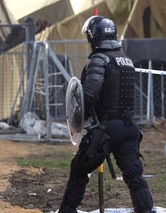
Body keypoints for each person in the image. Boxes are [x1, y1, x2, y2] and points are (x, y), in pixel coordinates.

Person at [58, 15, 154, 213]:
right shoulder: (125, 59)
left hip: (108, 129)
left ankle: (68, 210)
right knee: (134, 176)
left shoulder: (99, 59)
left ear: (93, 36)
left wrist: (80, 119)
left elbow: (90, 93)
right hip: (129, 127)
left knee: (79, 168)